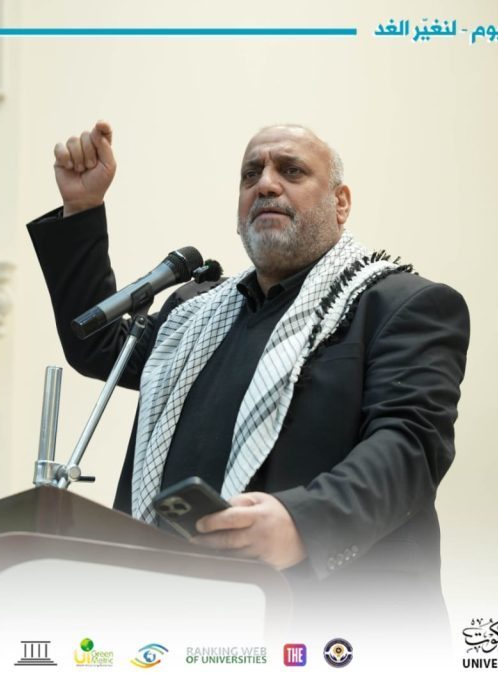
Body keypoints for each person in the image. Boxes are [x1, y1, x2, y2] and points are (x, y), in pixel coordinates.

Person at [27, 120, 470, 636]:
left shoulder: (400, 306)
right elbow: (101, 345)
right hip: (183, 623)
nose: (265, 184)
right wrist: (83, 208)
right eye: (250, 174)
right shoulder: (194, 311)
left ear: (341, 203)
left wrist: (303, 522)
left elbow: (409, 447)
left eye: (292, 171)